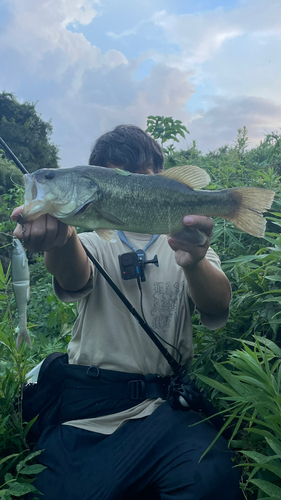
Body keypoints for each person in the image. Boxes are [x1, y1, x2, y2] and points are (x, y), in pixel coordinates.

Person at [12, 125, 242, 500]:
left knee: (212, 478)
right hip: (92, 408)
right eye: (118, 174)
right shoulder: (86, 237)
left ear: (160, 176)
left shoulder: (188, 240)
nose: (131, 183)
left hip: (166, 407)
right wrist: (63, 236)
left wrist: (195, 261)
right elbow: (73, 273)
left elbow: (218, 304)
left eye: (143, 175)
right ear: (96, 181)